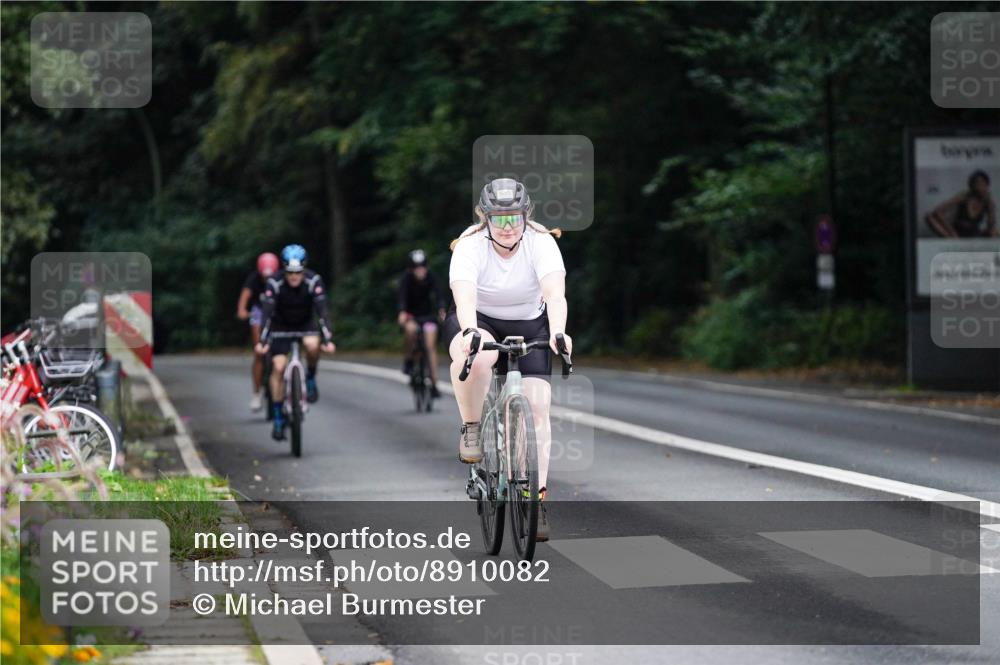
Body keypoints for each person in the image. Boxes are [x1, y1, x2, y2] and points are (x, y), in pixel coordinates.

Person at [444, 178, 572, 541]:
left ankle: (536, 498)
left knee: (537, 406)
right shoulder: (469, 245)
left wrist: (559, 332)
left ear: (525, 214)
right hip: (479, 319)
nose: (507, 226)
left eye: (514, 217)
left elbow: (555, 295)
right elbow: (464, 299)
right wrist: (470, 331)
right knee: (478, 354)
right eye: (498, 219)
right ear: (484, 218)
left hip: (530, 322)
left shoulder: (541, 242)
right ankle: (471, 426)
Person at [255, 244, 336, 440]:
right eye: (290, 273)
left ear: (304, 269)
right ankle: (277, 416)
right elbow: (266, 313)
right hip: (280, 327)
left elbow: (322, 311)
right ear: (284, 270)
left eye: (298, 272)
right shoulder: (274, 283)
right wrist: (262, 340)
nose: (294, 277)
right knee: (278, 366)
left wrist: (327, 337)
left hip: (305, 324)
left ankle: (310, 377)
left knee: (312, 345)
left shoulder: (313, 280)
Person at [398, 249, 447, 398]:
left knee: (430, 346)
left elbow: (439, 295)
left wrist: (441, 310)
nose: (420, 270)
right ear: (411, 269)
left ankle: (434, 383)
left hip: (428, 317)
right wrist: (402, 312)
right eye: (416, 268)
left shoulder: (432, 277)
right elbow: (402, 298)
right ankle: (408, 360)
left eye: (422, 267)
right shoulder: (406, 279)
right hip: (412, 316)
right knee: (410, 331)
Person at [237, 252, 280, 411]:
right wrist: (242, 310)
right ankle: (257, 393)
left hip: (277, 311)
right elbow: (245, 295)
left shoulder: (280, 279)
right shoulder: (254, 278)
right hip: (259, 312)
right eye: (264, 276)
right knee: (259, 352)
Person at [926, 170, 997, 238]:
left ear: (987, 185)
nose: (980, 186)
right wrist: (952, 231)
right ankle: (953, 240)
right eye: (977, 183)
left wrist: (990, 207)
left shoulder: (988, 202)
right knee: (929, 217)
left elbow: (991, 226)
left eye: (982, 183)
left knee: (994, 232)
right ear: (971, 185)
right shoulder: (963, 196)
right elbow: (937, 211)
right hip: (956, 232)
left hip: (974, 233)